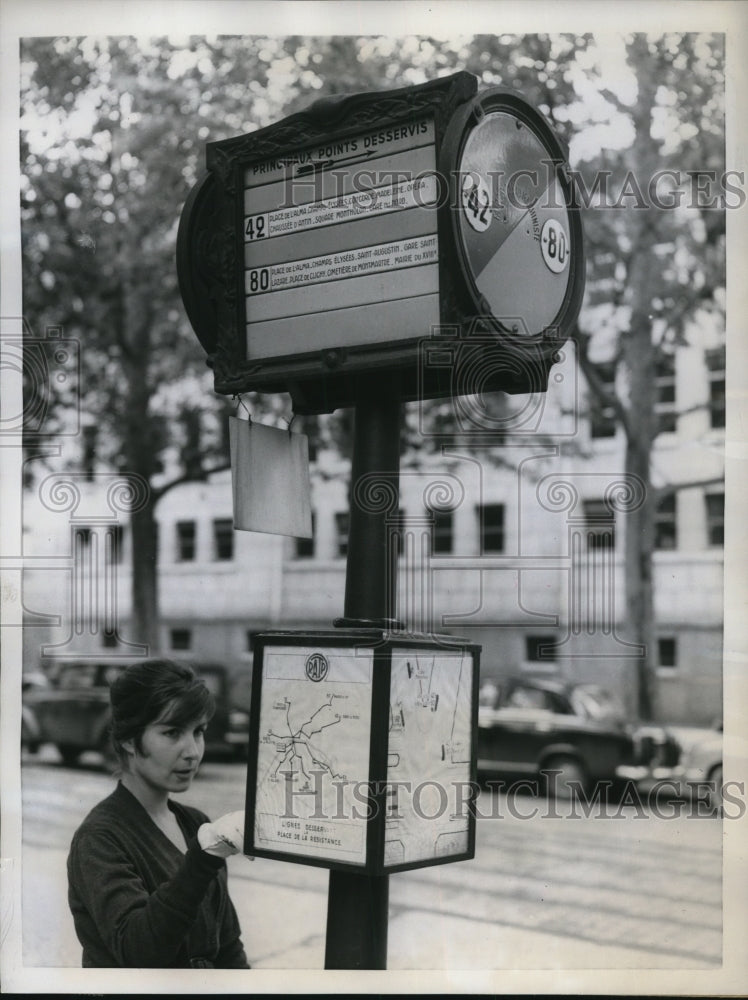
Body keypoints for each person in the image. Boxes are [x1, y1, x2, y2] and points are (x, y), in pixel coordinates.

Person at [67, 658, 250, 968]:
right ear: (127, 738)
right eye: (172, 733)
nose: (192, 751)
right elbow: (139, 952)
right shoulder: (99, 839)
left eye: (199, 732)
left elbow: (228, 947)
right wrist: (202, 860)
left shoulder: (196, 823)